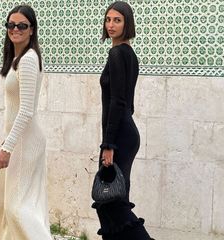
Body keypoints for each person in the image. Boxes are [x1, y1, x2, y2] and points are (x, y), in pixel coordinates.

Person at [0, 5, 53, 240]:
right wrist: (8, 140)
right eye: (11, 25)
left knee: (17, 209)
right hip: (18, 141)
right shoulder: (17, 59)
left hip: (25, 144)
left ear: (32, 30)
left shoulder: (28, 60)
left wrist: (7, 148)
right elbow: (15, 109)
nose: (15, 29)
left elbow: (26, 111)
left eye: (22, 25)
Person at [92, 2, 154, 240]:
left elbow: (118, 102)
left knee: (111, 202)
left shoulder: (117, 53)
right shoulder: (129, 53)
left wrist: (108, 145)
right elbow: (128, 103)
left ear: (127, 23)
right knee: (113, 200)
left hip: (118, 138)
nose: (111, 25)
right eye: (108, 19)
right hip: (125, 133)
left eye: (117, 20)